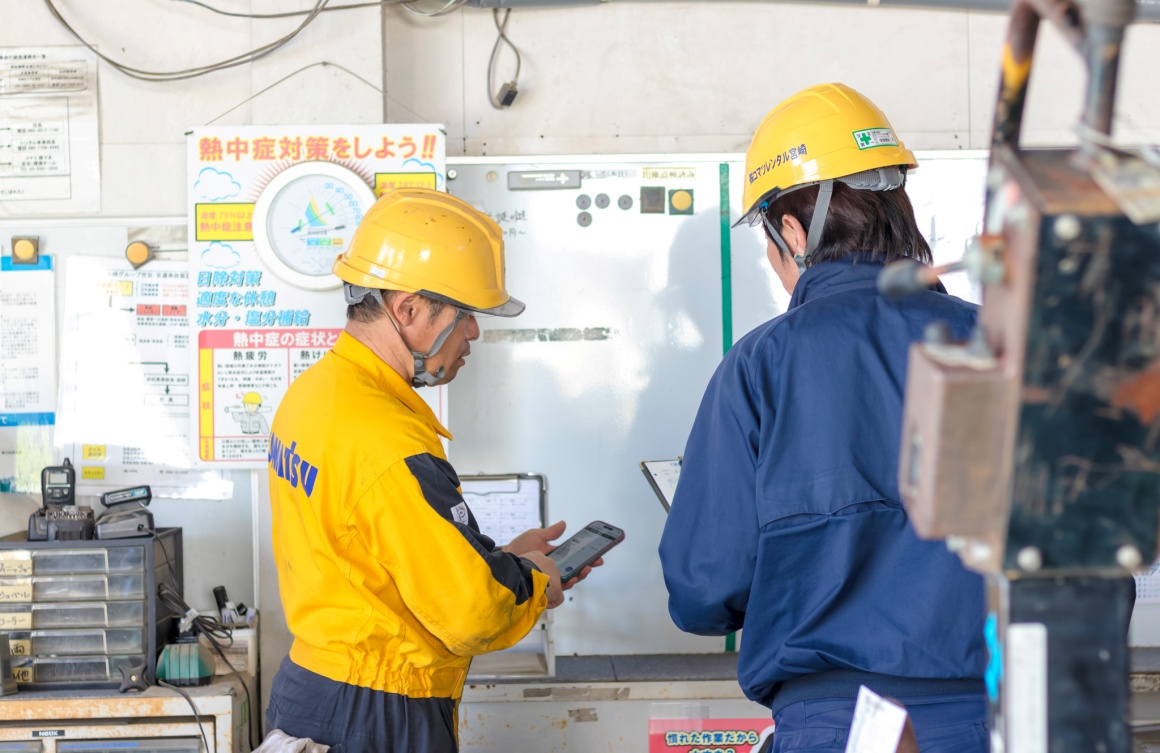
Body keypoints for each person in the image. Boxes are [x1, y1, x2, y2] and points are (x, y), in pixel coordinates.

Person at [658, 83, 988, 752]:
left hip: (840, 721)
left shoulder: (760, 366)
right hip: (999, 716)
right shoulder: (1008, 350)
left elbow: (704, 585)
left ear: (793, 232)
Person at [265, 187, 597, 752]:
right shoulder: (388, 439)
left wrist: (505, 561)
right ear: (409, 309)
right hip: (379, 712)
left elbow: (381, 556)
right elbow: (469, 614)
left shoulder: (315, 393)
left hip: (312, 690)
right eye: (466, 314)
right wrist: (536, 581)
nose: (473, 333)